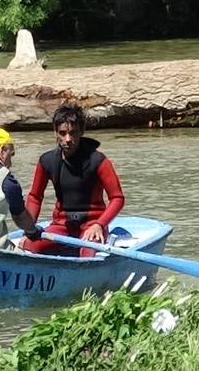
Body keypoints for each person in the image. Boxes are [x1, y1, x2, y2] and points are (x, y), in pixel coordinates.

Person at [19, 103, 127, 257]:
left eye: (73, 133)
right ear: (55, 132)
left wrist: (99, 224)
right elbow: (35, 197)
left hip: (92, 224)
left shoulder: (98, 161)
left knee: (88, 252)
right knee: (30, 246)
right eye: (62, 133)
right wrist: (28, 229)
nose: (68, 139)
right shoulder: (47, 161)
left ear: (81, 132)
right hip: (61, 225)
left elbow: (117, 198)